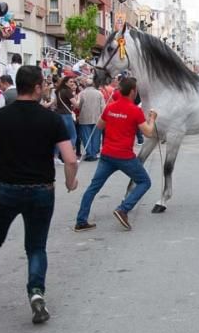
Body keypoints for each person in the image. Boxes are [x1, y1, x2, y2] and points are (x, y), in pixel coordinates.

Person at [0, 65, 79, 322]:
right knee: (36, 247)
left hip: (6, 189)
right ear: (38, 87)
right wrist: (70, 182)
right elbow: (70, 159)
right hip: (41, 190)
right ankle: (36, 292)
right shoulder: (50, 119)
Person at [74, 77, 156, 231]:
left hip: (107, 154)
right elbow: (149, 132)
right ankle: (123, 209)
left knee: (93, 187)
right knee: (145, 182)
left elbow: (99, 125)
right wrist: (152, 118)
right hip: (124, 156)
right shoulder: (135, 110)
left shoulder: (110, 107)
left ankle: (81, 220)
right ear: (133, 91)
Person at [77, 77, 106, 161]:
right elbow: (103, 107)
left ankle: (89, 153)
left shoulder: (82, 93)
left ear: (85, 85)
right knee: (96, 137)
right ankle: (94, 153)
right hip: (97, 118)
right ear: (93, 84)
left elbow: (79, 106)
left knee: (86, 136)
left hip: (85, 118)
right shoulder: (99, 93)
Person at [52, 77, 79, 164]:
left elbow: (55, 103)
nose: (72, 83)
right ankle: (69, 156)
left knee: (59, 137)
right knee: (73, 136)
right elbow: (76, 105)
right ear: (66, 82)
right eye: (71, 81)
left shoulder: (58, 91)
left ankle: (55, 157)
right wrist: (79, 99)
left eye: (73, 81)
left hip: (59, 115)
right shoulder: (68, 91)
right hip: (66, 115)